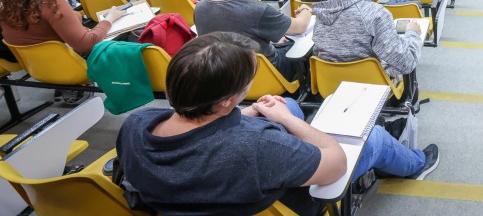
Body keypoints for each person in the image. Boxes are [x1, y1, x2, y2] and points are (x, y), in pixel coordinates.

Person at [116, 33, 438, 216]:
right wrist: (284, 120)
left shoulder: (137, 126)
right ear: (226, 101)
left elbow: (198, 134)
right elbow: (336, 163)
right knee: (376, 138)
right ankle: (416, 164)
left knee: (292, 105)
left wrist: (252, 113)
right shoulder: (258, 147)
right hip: (287, 202)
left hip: (208, 191)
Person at [311, 0, 424, 86]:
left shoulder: (320, 12)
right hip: (371, 88)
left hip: (330, 85)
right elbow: (406, 62)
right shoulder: (376, 14)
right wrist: (412, 34)